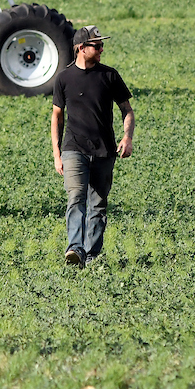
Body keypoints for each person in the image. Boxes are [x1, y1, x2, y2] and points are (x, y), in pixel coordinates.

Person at [51, 25, 134, 267]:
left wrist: (127, 137)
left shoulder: (109, 76)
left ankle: (91, 254)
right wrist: (57, 154)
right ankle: (75, 249)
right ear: (81, 48)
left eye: (101, 45)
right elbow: (57, 116)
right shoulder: (64, 78)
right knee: (76, 196)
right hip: (73, 148)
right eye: (96, 46)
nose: (101, 49)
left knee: (98, 204)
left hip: (104, 150)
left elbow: (127, 110)